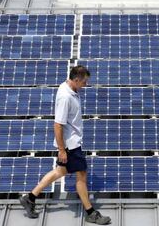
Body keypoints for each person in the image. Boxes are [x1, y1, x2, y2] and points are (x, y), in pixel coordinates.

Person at [19, 65, 111, 225]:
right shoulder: (65, 97)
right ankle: (90, 212)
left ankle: (30, 197)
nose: (86, 85)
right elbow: (58, 125)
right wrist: (62, 150)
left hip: (71, 143)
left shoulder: (70, 89)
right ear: (76, 80)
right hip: (70, 146)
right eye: (84, 82)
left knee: (59, 172)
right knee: (81, 175)